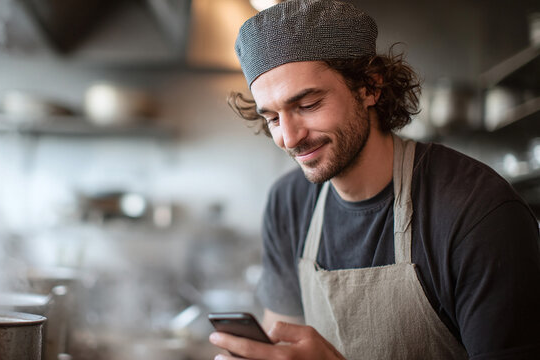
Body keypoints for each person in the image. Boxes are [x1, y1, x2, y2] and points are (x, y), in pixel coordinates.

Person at [208, 0, 540, 359]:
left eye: (307, 105)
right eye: (273, 118)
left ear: (370, 86)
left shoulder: (478, 211)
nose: (289, 138)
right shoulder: (287, 203)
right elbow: (282, 336)